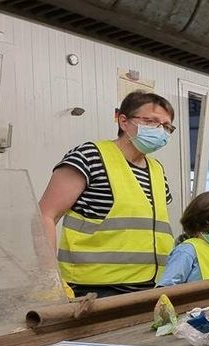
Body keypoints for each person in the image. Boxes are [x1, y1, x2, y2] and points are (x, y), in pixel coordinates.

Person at [38, 91, 176, 298]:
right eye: (151, 121)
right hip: (95, 289)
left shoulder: (156, 169)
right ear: (123, 121)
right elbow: (45, 215)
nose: (160, 131)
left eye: (166, 127)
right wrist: (49, 277)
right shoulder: (90, 156)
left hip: (151, 285)